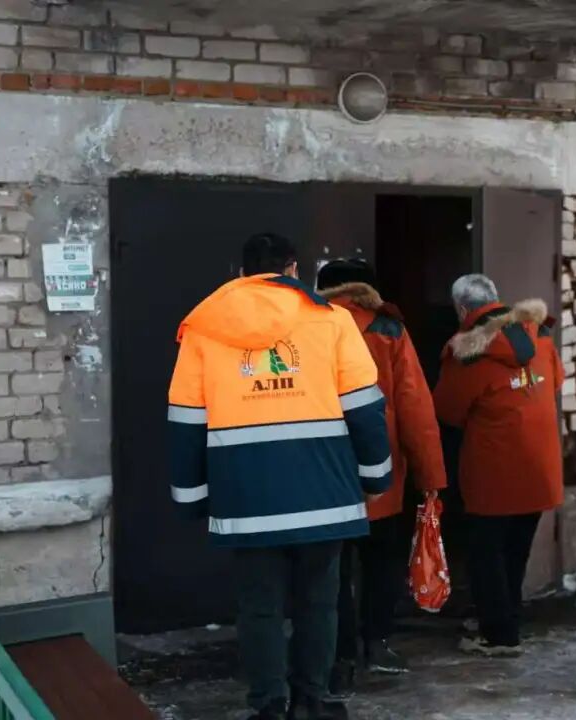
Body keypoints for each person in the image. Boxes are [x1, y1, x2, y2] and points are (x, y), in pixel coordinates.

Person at [167, 233, 392, 720]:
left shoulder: (204, 327)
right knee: (320, 603)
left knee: (259, 607)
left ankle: (269, 704)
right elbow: (365, 409)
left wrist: (190, 496)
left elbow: (185, 420)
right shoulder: (333, 321)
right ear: (293, 270)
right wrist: (376, 477)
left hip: (246, 498)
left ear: (242, 273)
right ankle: (314, 698)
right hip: (325, 493)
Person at [315, 258, 447, 692]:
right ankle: (376, 642)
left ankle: (338, 655)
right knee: (380, 563)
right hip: (381, 473)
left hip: (325, 471)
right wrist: (430, 477)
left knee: (330, 570)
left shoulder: (308, 328)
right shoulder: (388, 330)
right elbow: (414, 405)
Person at [432, 274, 564, 657]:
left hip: (494, 471)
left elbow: (447, 410)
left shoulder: (469, 352)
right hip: (539, 467)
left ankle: (499, 635)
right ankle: (507, 620)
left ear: (462, 310)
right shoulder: (539, 335)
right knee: (516, 549)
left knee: (486, 553)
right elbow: (556, 382)